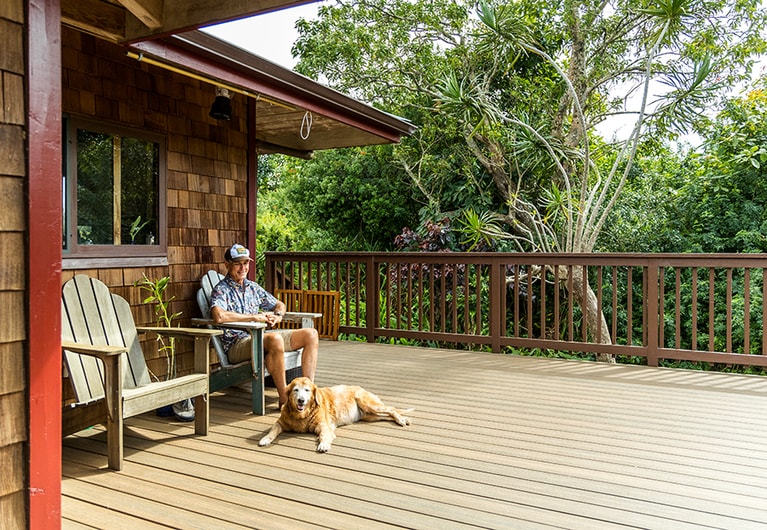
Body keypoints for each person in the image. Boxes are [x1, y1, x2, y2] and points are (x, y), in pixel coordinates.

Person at [210, 243, 319, 409]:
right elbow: (218, 316)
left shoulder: (252, 288)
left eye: (246, 263)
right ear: (227, 264)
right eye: (238, 263)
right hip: (237, 345)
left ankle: (308, 392)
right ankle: (285, 400)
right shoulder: (221, 290)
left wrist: (278, 316)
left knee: (310, 334)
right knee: (274, 338)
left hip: (260, 338)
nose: (243, 268)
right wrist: (254, 317)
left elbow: (279, 304)